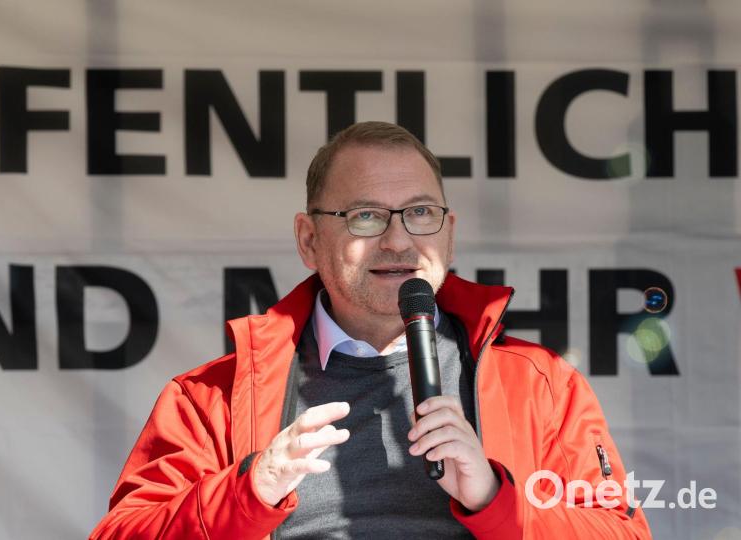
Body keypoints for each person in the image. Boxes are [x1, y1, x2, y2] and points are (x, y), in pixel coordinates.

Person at [89, 121, 652, 539]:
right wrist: (249, 488)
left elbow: (623, 532)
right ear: (309, 240)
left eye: (420, 213)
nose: (400, 241)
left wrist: (494, 497)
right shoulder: (214, 395)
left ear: (449, 234)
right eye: (365, 216)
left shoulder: (540, 386)